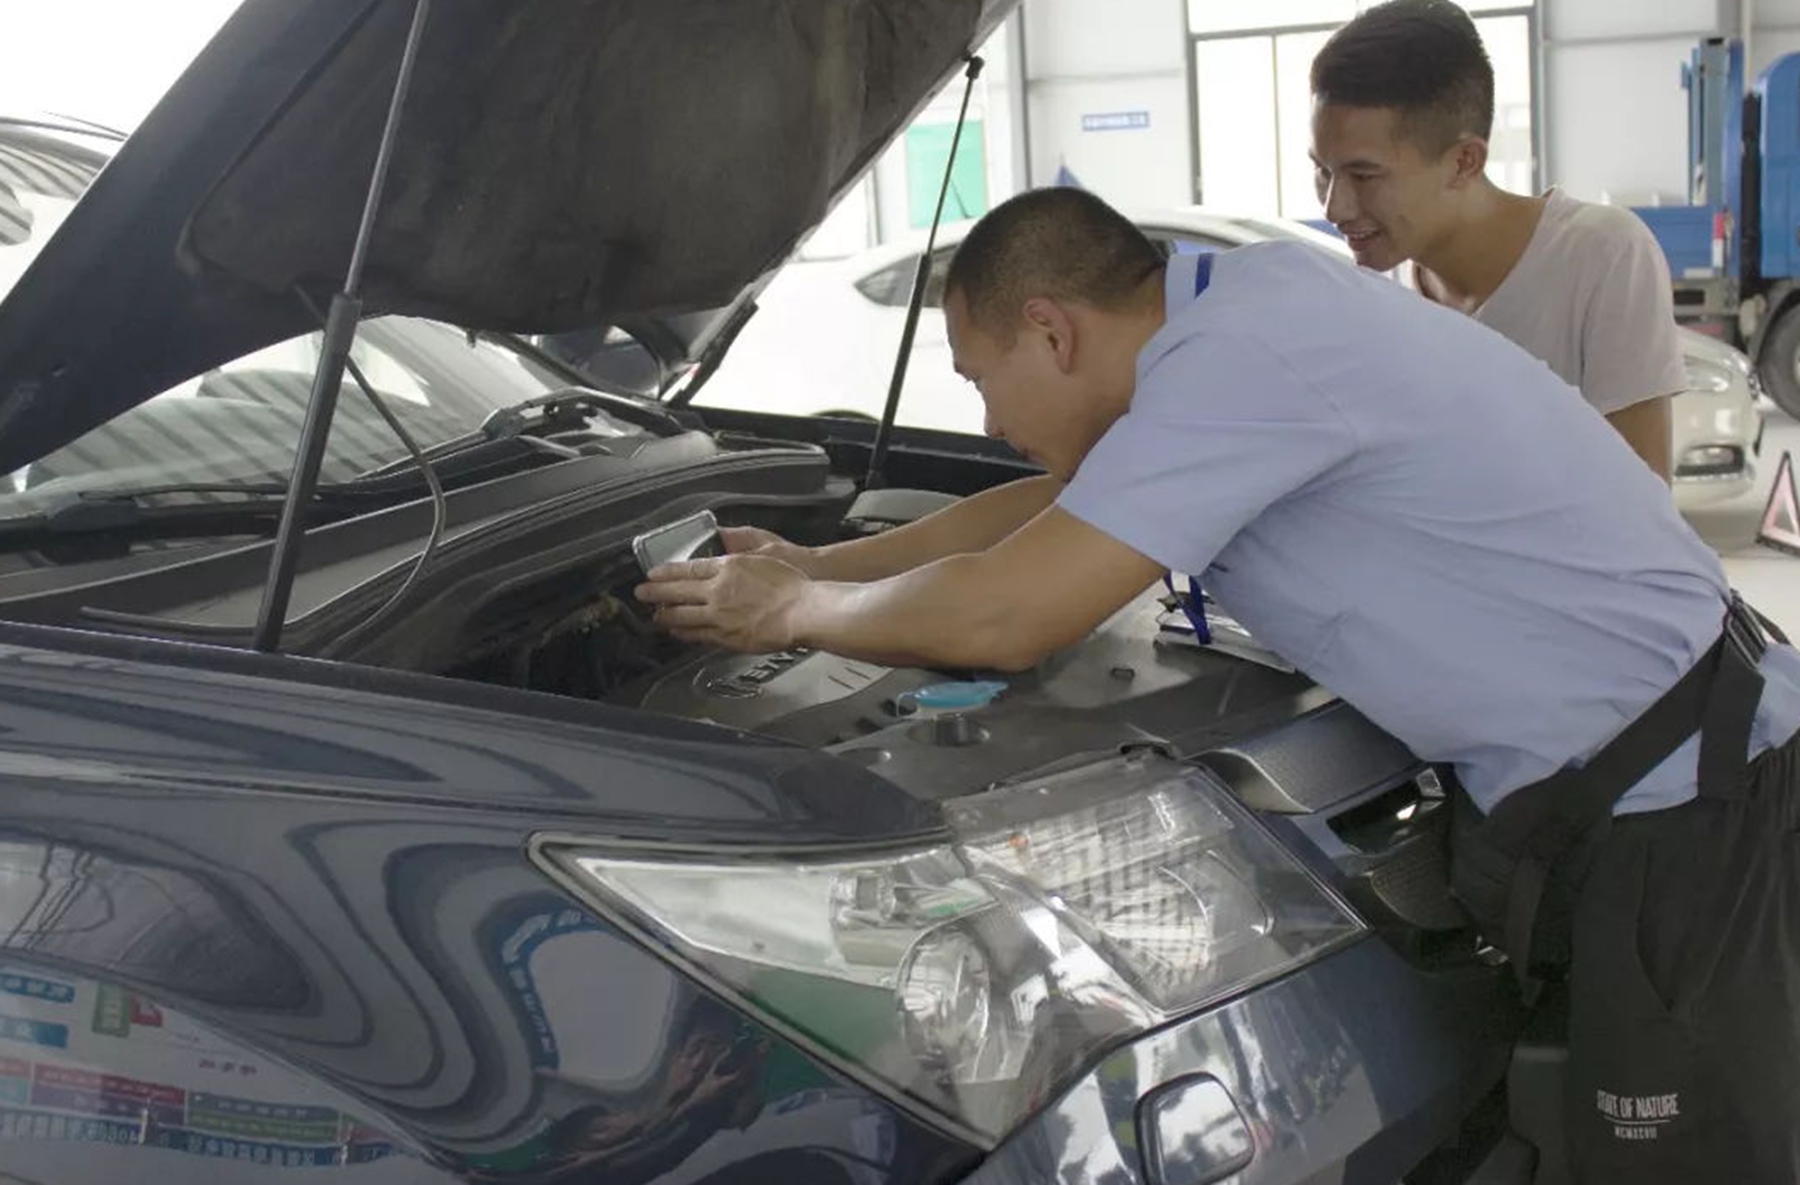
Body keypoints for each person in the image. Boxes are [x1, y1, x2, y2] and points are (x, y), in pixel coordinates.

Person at [637, 186, 1800, 1183]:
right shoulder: (1238, 328)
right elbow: (1044, 510)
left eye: (984, 381)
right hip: (1647, 796)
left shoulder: (1248, 357)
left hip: (1689, 809)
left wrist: (799, 615)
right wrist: (818, 564)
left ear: (1051, 329)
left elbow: (1011, 611)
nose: (989, 421)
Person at [1309, 0, 1680, 482]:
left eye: (1364, 175)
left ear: (1465, 161)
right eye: (1322, 170)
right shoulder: (1382, 298)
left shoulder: (1600, 256)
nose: (1334, 207)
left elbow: (1643, 509)